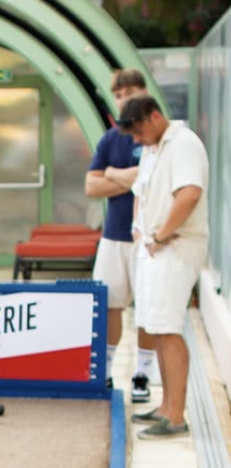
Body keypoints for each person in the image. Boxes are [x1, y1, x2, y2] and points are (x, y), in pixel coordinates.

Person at [117, 93, 209, 440]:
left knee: (168, 329)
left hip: (175, 247)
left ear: (154, 116)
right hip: (155, 248)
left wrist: (161, 235)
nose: (137, 141)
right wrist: (141, 230)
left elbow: (189, 195)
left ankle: (175, 416)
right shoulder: (154, 149)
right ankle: (166, 405)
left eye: (139, 132)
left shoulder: (183, 144)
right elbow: (141, 191)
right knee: (156, 326)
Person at [85, 67, 160, 402]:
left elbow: (155, 179)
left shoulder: (158, 136)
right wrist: (129, 175)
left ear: (143, 93)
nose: (123, 100)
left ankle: (142, 373)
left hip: (149, 238)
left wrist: (114, 174)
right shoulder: (110, 138)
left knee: (147, 308)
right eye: (117, 95)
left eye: (128, 93)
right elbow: (91, 185)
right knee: (111, 304)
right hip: (113, 236)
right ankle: (107, 369)